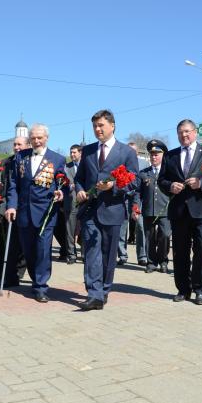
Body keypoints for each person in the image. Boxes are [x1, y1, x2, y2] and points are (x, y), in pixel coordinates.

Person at [75, 109, 139, 310]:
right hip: (90, 210)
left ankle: (104, 289)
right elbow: (79, 178)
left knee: (108, 254)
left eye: (101, 125)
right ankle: (94, 293)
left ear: (112, 126)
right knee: (91, 252)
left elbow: (135, 181)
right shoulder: (88, 151)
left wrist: (115, 187)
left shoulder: (126, 152)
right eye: (95, 126)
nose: (97, 129)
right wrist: (79, 190)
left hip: (112, 210)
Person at [158, 119, 202, 305]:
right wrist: (170, 186)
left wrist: (201, 183)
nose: (183, 135)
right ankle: (183, 289)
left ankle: (200, 288)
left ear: (194, 132)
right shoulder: (170, 156)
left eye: (186, 131)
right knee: (180, 250)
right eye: (180, 132)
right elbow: (161, 180)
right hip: (179, 211)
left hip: (201, 208)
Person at [5, 124, 65, 302]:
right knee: (29, 250)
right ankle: (35, 279)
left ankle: (41, 287)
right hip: (24, 212)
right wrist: (11, 205)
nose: (36, 141)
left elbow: (63, 182)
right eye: (33, 138)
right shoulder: (20, 157)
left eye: (40, 138)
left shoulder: (57, 159)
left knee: (43, 250)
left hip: (46, 212)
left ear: (46, 138)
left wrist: (61, 192)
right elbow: (14, 184)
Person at [0, 136, 29, 286]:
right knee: (2, 239)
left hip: (23, 207)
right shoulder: (6, 162)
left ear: (27, 145)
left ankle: (18, 271)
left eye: (20, 144)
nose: (16, 147)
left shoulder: (31, 162)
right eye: (15, 144)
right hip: (4, 206)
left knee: (21, 243)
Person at [133, 140, 170, 273]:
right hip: (148, 209)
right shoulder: (143, 173)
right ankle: (151, 262)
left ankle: (163, 260)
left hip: (164, 210)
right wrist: (136, 207)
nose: (154, 157)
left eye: (157, 154)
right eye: (152, 154)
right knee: (149, 236)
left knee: (165, 236)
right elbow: (138, 192)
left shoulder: (169, 172)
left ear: (163, 155)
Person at [118, 142, 148, 266]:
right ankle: (122, 255)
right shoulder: (121, 163)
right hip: (123, 197)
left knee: (140, 226)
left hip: (138, 198)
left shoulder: (144, 164)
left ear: (136, 152)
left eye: (132, 151)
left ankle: (142, 256)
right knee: (122, 227)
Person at [64, 144, 82, 264]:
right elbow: (63, 182)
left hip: (85, 201)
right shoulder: (66, 167)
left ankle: (85, 253)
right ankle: (71, 254)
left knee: (85, 229)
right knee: (70, 229)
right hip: (71, 202)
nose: (72, 155)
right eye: (71, 152)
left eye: (74, 152)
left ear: (80, 153)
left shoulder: (86, 165)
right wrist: (70, 186)